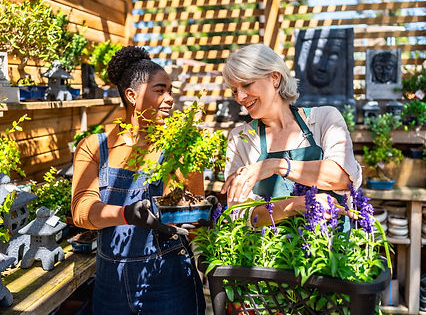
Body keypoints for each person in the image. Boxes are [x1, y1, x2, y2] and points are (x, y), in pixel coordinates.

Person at [71, 46, 206, 314]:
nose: (169, 99)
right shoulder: (95, 147)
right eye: (160, 90)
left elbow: (193, 215)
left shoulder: (179, 147)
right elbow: (81, 211)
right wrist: (126, 214)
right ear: (132, 95)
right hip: (112, 284)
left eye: (170, 91)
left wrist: (198, 217)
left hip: (170, 281)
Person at [220, 44, 362, 227]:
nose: (239, 97)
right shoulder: (240, 139)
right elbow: (241, 215)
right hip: (271, 254)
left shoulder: (324, 119)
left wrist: (275, 165)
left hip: (332, 251)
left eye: (246, 84)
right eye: (234, 90)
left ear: (275, 78)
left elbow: (343, 177)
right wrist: (297, 205)